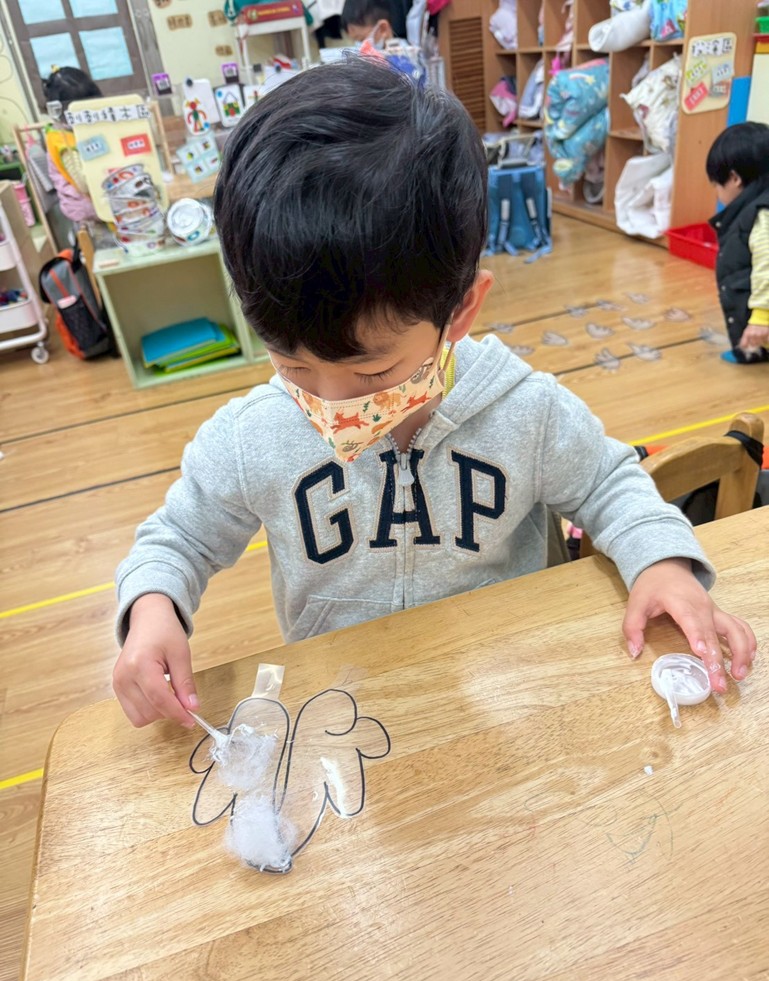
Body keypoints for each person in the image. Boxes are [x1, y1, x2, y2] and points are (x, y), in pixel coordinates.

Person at [112, 58, 755, 729]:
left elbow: (608, 482)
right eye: (293, 366)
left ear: (461, 310)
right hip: (345, 704)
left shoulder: (524, 411)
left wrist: (661, 562)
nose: (332, 404)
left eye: (371, 374)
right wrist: (153, 606)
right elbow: (178, 538)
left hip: (511, 696)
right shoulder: (253, 437)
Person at [706, 121, 769, 364]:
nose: (717, 194)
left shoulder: (762, 214)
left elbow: (766, 266)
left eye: (716, 185)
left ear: (734, 179)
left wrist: (762, 317)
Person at [42, 66, 101, 224]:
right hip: (85, 208)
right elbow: (84, 184)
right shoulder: (62, 140)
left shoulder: (80, 129)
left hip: (95, 198)